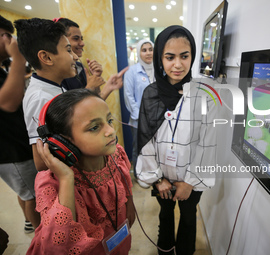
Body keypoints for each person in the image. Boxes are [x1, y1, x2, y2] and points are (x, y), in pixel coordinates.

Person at [136, 25, 216, 255]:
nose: (178, 65)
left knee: (189, 218)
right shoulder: (151, 93)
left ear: (193, 56)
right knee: (165, 214)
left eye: (185, 56)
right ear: (160, 58)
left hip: (192, 177)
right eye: (170, 57)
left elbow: (207, 143)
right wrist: (157, 179)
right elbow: (145, 140)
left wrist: (190, 181)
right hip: (162, 175)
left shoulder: (203, 96)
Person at [27, 89, 135, 254]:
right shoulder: (51, 182)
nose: (111, 131)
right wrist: (66, 179)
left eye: (109, 120)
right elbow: (56, 248)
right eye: (94, 127)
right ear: (62, 142)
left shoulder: (116, 154)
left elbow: (127, 194)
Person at [14, 18, 126, 172]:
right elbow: (41, 162)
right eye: (68, 50)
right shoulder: (41, 98)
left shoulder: (56, 87)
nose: (75, 56)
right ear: (46, 57)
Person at [0, 15, 40, 233]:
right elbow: (8, 102)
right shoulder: (13, 61)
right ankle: (42, 236)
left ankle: (30, 222)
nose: (9, 40)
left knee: (26, 191)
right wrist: (18, 58)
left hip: (17, 145)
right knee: (32, 194)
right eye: (4, 36)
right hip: (11, 150)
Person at [55, 17, 117, 100]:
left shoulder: (80, 67)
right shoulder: (58, 73)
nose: (82, 43)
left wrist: (95, 77)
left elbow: (95, 100)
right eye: (76, 38)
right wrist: (90, 87)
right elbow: (68, 111)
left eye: (82, 39)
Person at [123, 39, 155, 188]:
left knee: (154, 148)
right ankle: (139, 174)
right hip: (138, 120)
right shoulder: (132, 71)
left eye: (150, 49)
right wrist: (141, 116)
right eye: (144, 50)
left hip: (156, 119)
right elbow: (129, 97)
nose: (148, 53)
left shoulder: (159, 69)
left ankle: (152, 172)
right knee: (139, 148)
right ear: (139, 52)